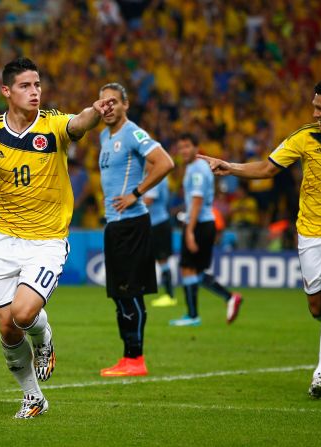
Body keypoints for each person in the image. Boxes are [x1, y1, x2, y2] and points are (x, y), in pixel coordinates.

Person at [196, 78, 321, 399]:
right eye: (314, 106)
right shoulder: (305, 138)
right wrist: (229, 167)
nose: (315, 113)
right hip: (309, 234)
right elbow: (266, 169)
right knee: (317, 307)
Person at [0, 58, 116, 418]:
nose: (35, 92)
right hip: (5, 240)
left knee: (22, 314)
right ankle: (34, 398)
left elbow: (80, 122)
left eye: (37, 84)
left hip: (47, 241)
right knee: (6, 327)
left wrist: (95, 111)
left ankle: (44, 336)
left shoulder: (53, 125)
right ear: (7, 91)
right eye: (25, 86)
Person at [96, 83, 174, 377]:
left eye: (114, 101)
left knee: (129, 293)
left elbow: (165, 162)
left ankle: (135, 358)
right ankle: (128, 357)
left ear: (126, 104)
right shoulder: (105, 135)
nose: (108, 107)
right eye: (103, 102)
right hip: (114, 224)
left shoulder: (132, 133)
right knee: (120, 293)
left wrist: (136, 193)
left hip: (132, 222)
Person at [169, 133, 243, 328]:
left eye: (187, 146)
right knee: (193, 270)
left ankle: (194, 314)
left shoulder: (196, 171)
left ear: (196, 148)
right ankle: (226, 299)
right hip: (201, 223)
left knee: (189, 268)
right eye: (181, 147)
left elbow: (197, 201)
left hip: (199, 224)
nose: (183, 151)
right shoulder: (196, 168)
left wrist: (190, 231)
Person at [146, 176, 177, 307]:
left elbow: (148, 200)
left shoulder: (156, 176)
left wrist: (127, 201)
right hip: (153, 223)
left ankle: (170, 295)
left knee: (162, 259)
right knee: (157, 259)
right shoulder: (154, 174)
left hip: (158, 223)